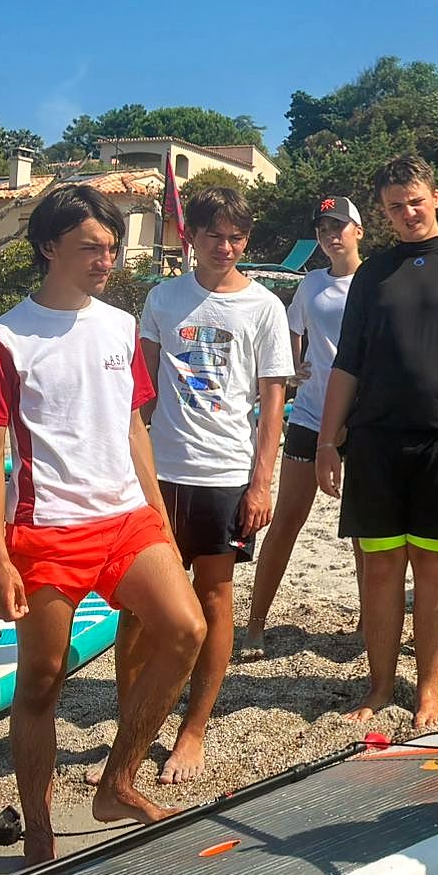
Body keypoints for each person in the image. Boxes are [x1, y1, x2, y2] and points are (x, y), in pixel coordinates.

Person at [0, 183, 206, 862]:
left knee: (185, 630)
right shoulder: (4, 338)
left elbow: (133, 424)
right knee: (42, 680)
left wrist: (158, 513)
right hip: (46, 528)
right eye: (90, 249)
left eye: (111, 248)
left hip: (125, 518)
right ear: (50, 247)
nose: (106, 261)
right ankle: (39, 831)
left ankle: (116, 785)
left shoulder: (121, 327)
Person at [316, 155, 438, 728]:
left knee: (435, 567)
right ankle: (379, 686)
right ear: (382, 213)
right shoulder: (372, 273)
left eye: (415, 202)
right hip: (375, 440)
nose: (406, 214)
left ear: (436, 197)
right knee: (379, 571)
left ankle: (430, 690)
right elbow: (347, 363)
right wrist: (330, 441)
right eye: (394, 207)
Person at [136, 185, 292, 781]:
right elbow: (139, 392)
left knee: (213, 597)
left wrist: (262, 483)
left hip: (224, 474)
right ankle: (138, 714)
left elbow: (273, 403)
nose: (224, 247)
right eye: (213, 236)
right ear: (190, 238)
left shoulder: (264, 308)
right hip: (160, 472)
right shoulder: (162, 298)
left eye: (235, 237)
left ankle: (193, 728)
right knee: (143, 604)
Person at [245, 194, 364, 653]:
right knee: (289, 517)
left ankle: (366, 622)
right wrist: (295, 368)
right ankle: (255, 622)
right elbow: (291, 329)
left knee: (362, 528)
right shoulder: (311, 283)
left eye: (338, 226)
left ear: (358, 230)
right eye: (322, 229)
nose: (330, 235)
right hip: (312, 414)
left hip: (362, 418)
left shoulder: (375, 281)